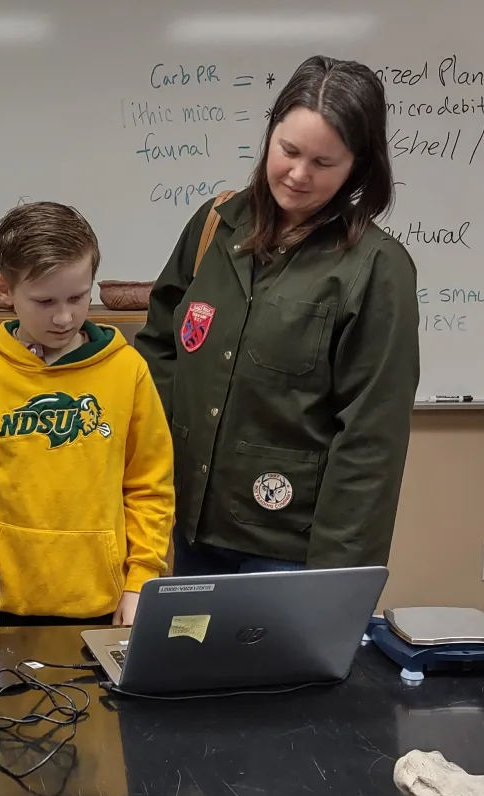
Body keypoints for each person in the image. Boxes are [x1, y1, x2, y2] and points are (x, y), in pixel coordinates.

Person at [135, 55, 420, 576]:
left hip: (285, 549)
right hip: (182, 524)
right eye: (288, 150)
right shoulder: (214, 226)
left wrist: (333, 581)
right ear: (270, 134)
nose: (298, 174)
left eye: (323, 163)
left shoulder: (376, 268)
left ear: (358, 165)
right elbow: (160, 347)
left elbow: (369, 440)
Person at [0, 201, 174, 626]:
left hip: (104, 602)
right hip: (0, 598)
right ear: (3, 289)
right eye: (44, 300)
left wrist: (141, 579)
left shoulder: (128, 370)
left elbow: (149, 483)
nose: (64, 316)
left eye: (77, 297)